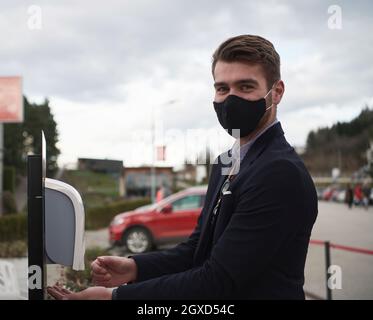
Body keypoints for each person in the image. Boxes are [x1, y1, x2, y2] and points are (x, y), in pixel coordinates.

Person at [48, 34, 318, 300]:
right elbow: (197, 250)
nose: (231, 99)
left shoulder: (280, 173)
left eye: (245, 87)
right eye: (222, 88)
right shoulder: (226, 162)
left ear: (277, 92)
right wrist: (135, 267)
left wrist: (114, 297)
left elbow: (218, 280)